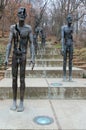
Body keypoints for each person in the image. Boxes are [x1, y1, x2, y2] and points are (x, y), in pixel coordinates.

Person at [5, 7, 35, 112]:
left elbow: (32, 44)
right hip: (14, 55)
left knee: (22, 79)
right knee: (14, 79)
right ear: (17, 15)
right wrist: (6, 57)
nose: (22, 14)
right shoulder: (13, 28)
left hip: (23, 56)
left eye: (23, 13)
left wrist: (32, 57)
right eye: (20, 13)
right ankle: (14, 100)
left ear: (25, 16)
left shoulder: (28, 28)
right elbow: (9, 43)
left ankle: (21, 101)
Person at [61, 14, 73, 81]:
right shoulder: (63, 28)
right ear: (67, 20)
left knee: (70, 61)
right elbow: (62, 38)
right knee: (64, 61)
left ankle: (70, 75)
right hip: (65, 44)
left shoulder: (72, 28)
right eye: (69, 19)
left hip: (70, 44)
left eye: (71, 19)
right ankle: (64, 75)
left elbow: (72, 37)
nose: (70, 20)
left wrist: (72, 45)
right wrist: (62, 47)